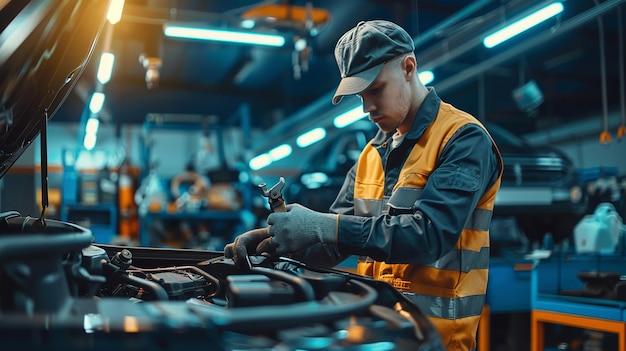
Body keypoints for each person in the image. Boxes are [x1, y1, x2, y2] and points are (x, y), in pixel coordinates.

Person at [225, 19, 503, 351]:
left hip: (437, 341)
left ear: (409, 67)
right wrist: (277, 242)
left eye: (375, 89)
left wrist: (324, 225)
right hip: (377, 336)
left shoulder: (462, 139)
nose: (367, 107)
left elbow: (430, 236)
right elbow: (331, 243)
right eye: (360, 95)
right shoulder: (372, 153)